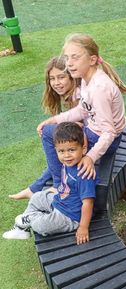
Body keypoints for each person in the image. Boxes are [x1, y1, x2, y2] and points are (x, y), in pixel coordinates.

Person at [35, 32, 126, 191]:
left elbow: (109, 132)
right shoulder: (88, 80)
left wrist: (90, 158)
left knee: (47, 133)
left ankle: (60, 186)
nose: (69, 64)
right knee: (53, 129)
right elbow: (82, 109)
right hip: (94, 132)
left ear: (92, 60)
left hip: (103, 138)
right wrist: (55, 119)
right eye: (67, 58)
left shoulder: (99, 88)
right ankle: (53, 183)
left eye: (75, 57)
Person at [3, 122, 97, 245]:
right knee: (37, 197)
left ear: (83, 148)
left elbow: (88, 203)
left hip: (71, 216)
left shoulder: (84, 173)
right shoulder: (68, 163)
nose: (67, 155)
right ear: (56, 151)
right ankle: (23, 229)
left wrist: (83, 227)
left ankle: (28, 220)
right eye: (61, 151)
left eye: (71, 150)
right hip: (60, 201)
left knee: (39, 226)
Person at [9, 56, 81, 200]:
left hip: (93, 140)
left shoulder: (78, 94)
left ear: (72, 76)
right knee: (57, 154)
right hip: (83, 140)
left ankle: (58, 185)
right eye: (52, 79)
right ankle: (34, 188)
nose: (56, 83)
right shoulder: (71, 95)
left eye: (61, 77)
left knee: (48, 132)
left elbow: (82, 125)